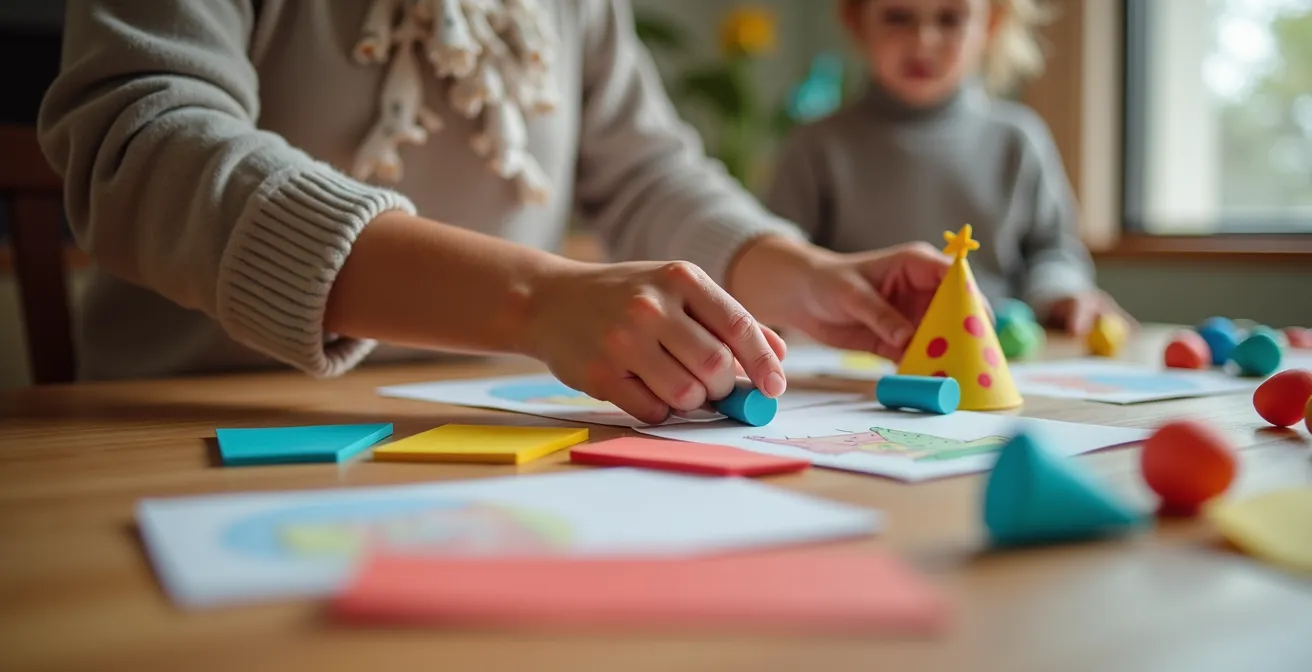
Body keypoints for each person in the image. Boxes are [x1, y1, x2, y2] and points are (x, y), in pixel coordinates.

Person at [38, 0, 949, 425]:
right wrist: (533, 299)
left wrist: (800, 271)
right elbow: (141, 140)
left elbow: (647, 172)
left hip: (477, 424)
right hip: (183, 419)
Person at [766, 0, 1132, 336]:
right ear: (856, 20)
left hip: (998, 355)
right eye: (898, 17)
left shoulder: (1017, 140)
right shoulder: (817, 145)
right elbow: (781, 256)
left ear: (991, 23)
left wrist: (1061, 293)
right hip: (864, 349)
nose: (923, 41)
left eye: (950, 18)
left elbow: (1052, 250)